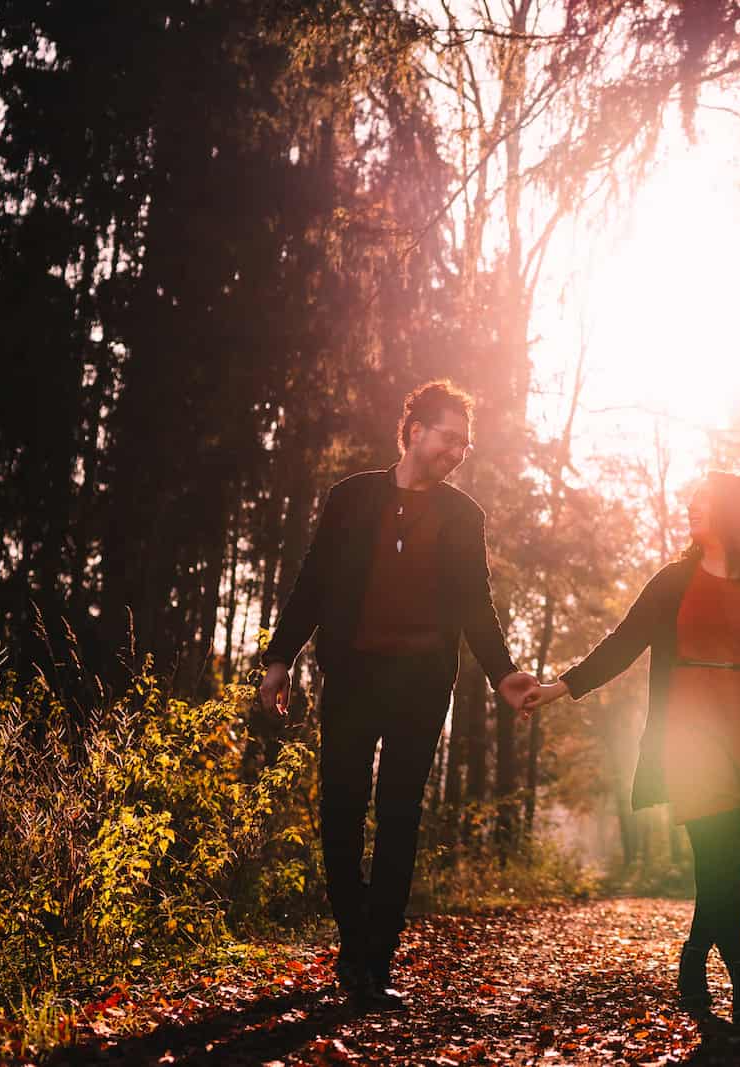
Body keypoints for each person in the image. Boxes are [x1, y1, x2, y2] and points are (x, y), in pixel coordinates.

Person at [258, 380, 536, 1008]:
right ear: (414, 431)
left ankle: (373, 961)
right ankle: (356, 938)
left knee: (400, 817)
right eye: (449, 438)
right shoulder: (352, 498)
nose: (458, 452)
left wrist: (503, 673)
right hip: (353, 676)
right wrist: (280, 658)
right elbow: (314, 582)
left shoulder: (465, 516)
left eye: (466, 444)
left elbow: (476, 607)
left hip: (420, 685)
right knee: (340, 808)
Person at [523, 470, 740, 1031]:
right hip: (690, 732)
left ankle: (691, 959)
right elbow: (623, 642)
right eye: (691, 501)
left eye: (703, 503)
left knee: (730, 865)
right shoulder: (673, 580)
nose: (691, 509)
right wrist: (561, 686)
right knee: (713, 856)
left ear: (733, 512)